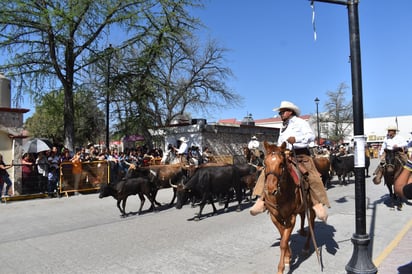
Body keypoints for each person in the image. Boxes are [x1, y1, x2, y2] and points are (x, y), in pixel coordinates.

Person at [249, 101, 330, 222]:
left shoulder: (301, 122)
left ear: (290, 112)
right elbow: (280, 142)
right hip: (284, 154)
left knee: (311, 175)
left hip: (300, 154)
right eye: (280, 112)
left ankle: (317, 203)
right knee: (268, 171)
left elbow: (311, 136)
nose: (280, 114)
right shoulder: (283, 126)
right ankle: (261, 200)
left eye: (282, 112)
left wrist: (296, 139)